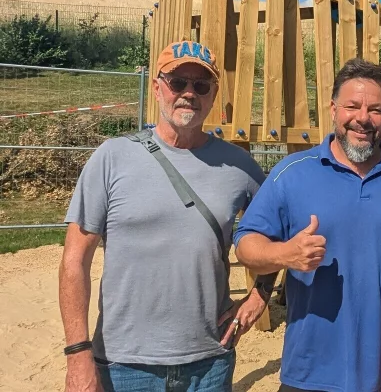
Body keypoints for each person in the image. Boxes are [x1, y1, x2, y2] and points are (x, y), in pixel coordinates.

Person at [58, 40, 272, 392]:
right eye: (178, 82)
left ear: (213, 95)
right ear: (157, 87)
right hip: (124, 363)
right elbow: (73, 260)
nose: (189, 93)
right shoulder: (111, 158)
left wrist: (260, 294)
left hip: (210, 361)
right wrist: (77, 354)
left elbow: (275, 231)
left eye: (201, 85)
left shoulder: (239, 166)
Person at [233, 58, 381, 392]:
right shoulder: (294, 173)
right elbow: (246, 244)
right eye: (352, 106)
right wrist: (284, 254)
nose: (362, 119)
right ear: (332, 109)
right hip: (310, 372)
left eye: (375, 109)